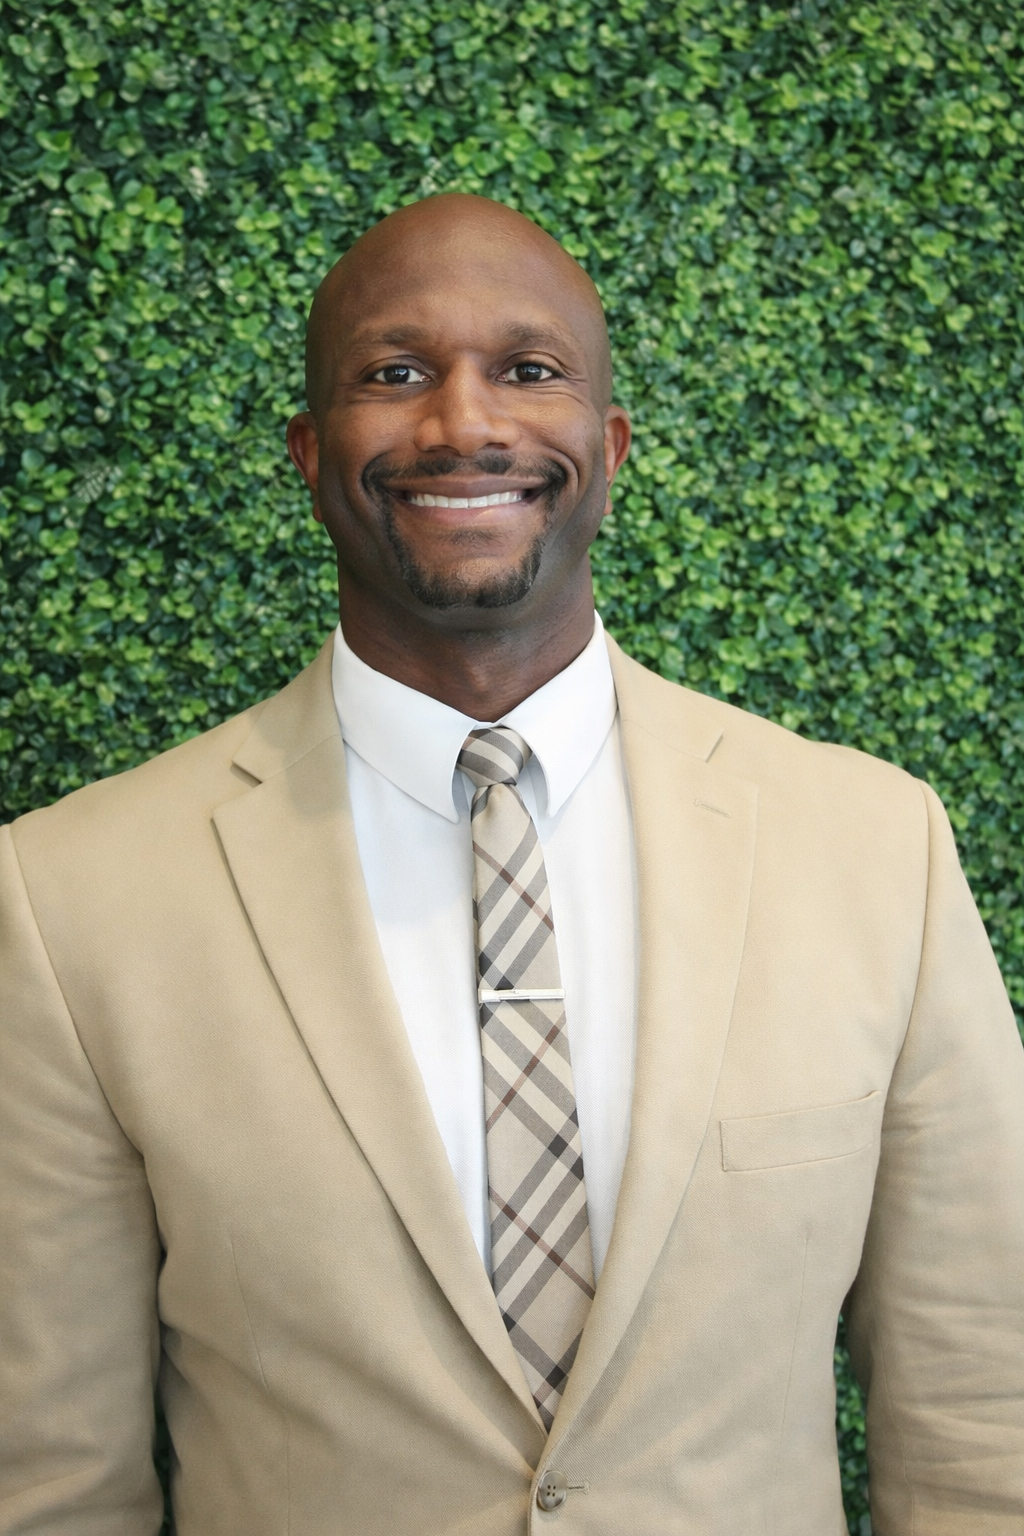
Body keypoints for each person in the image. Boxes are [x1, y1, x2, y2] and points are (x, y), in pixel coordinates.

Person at [1, 193, 1022, 1536]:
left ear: (608, 447)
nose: (463, 424)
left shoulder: (875, 850)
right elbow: (52, 1479)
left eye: (527, 372)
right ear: (312, 453)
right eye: (396, 373)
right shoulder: (70, 896)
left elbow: (981, 1416)